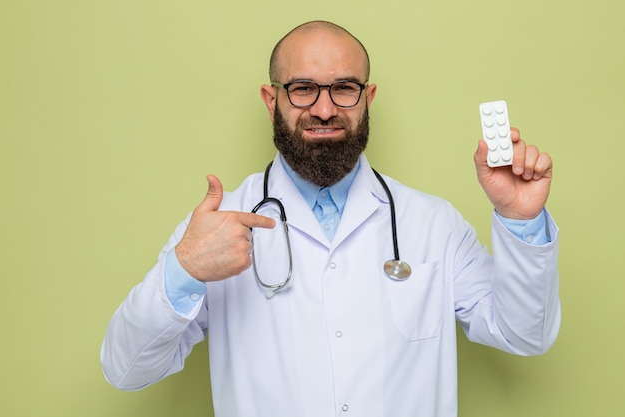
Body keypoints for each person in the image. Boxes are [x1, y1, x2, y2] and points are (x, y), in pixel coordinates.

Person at [101, 20, 560, 417]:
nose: (324, 109)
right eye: (303, 89)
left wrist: (520, 220)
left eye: (344, 88)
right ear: (271, 98)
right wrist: (184, 270)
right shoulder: (215, 228)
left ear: (367, 97)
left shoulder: (432, 223)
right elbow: (125, 369)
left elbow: (525, 335)